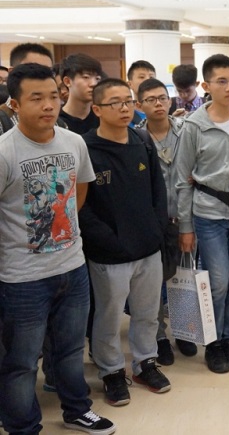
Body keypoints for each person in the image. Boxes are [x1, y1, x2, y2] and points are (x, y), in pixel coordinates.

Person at [0, 63, 116, 435]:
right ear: (14, 104)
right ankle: (22, 426)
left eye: (53, 96)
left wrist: (59, 231)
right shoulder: (4, 152)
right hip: (22, 278)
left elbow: (79, 193)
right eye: (36, 98)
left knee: (69, 350)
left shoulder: (73, 142)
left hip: (72, 266)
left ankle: (77, 410)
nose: (49, 105)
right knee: (21, 362)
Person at [79, 78, 171, 406]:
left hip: (147, 247)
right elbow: (81, 207)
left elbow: (158, 191)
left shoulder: (141, 140)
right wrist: (107, 239)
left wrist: (157, 229)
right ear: (97, 109)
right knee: (108, 316)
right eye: (115, 102)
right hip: (108, 252)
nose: (124, 108)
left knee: (148, 312)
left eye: (128, 101)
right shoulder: (85, 148)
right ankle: (111, 371)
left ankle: (145, 362)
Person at [174, 54, 229, 374]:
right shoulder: (194, 125)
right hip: (209, 215)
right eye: (222, 81)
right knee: (218, 283)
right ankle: (212, 343)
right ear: (206, 85)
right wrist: (186, 226)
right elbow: (182, 178)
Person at [134, 78, 198, 362]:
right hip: (152, 222)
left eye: (162, 97)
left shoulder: (187, 130)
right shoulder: (135, 137)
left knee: (183, 275)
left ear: (170, 100)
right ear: (140, 105)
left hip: (185, 217)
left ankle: (184, 330)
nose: (158, 103)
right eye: (151, 99)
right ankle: (159, 336)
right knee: (152, 285)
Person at [0, 43, 56, 135]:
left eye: (48, 71)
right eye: (32, 70)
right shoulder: (2, 121)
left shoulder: (55, 120)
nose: (42, 77)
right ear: (12, 72)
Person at [59, 53, 102, 134]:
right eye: (86, 77)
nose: (94, 83)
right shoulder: (57, 121)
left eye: (97, 78)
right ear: (67, 81)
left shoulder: (102, 117)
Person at [126, 60, 156, 125]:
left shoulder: (165, 110)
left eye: (151, 77)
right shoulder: (125, 114)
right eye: (142, 77)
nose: (148, 80)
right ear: (130, 84)